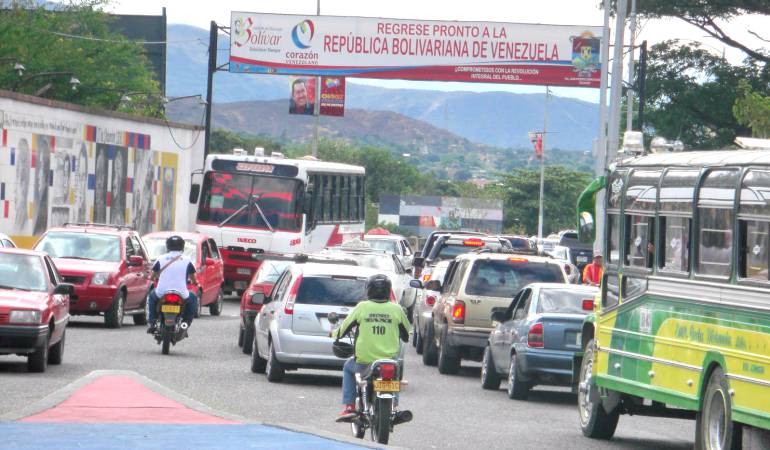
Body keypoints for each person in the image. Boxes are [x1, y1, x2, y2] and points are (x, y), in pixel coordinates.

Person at [331, 274, 411, 421]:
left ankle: (349, 407)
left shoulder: (362, 307)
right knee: (394, 376)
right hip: (389, 361)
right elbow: (407, 334)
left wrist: (333, 334)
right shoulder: (396, 309)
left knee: (348, 368)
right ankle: (394, 407)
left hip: (364, 363)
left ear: (368, 290)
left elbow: (343, 330)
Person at [147, 235, 199, 334]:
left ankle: (152, 322)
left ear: (168, 246)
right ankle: (185, 323)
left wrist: (153, 278)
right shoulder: (187, 260)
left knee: (152, 297)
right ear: (182, 247)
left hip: (161, 293)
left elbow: (152, 276)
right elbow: (193, 277)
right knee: (193, 299)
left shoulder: (160, 258)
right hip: (181, 293)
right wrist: (195, 282)